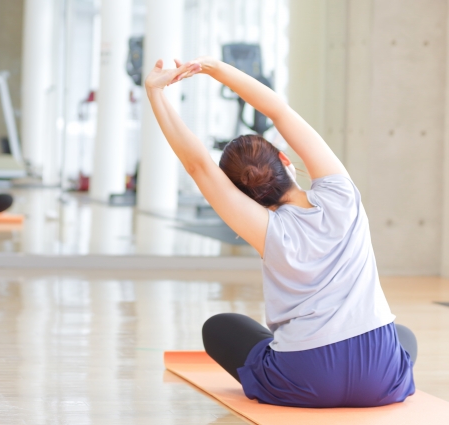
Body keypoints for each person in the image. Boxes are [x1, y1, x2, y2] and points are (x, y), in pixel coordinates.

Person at [144, 57, 417, 408]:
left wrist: (155, 91)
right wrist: (214, 68)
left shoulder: (265, 229)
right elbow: (279, 111)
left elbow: (198, 166)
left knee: (220, 327)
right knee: (401, 336)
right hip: (378, 378)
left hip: (305, 379)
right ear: (285, 159)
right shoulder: (342, 195)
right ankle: (375, 375)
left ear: (241, 197)